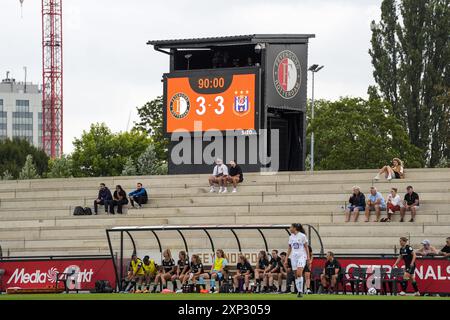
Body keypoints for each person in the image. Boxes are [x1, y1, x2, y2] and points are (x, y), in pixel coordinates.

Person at [286, 223, 310, 298]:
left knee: (299, 273)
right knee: (296, 275)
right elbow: (289, 248)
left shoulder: (302, 236)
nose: (290, 228)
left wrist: (308, 257)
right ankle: (299, 291)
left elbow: (306, 247)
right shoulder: (291, 237)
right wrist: (286, 258)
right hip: (293, 257)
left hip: (301, 256)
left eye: (291, 227)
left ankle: (300, 291)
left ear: (295, 228)